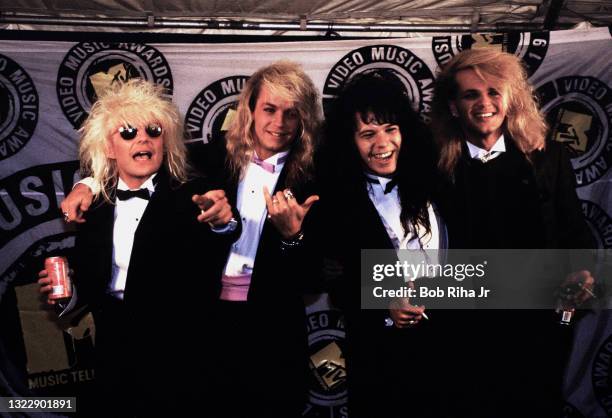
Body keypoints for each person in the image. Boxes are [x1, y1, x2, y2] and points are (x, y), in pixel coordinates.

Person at [61, 61, 322, 418]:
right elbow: (136, 162)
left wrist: (294, 236)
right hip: (202, 326)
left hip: (271, 329)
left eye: (292, 114)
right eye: (270, 109)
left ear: (304, 120)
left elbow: (315, 280)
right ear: (248, 110)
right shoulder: (206, 159)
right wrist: (86, 184)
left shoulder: (317, 179)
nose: (279, 123)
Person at [39, 79, 238, 416]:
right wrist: (68, 296)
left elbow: (221, 235)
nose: (143, 137)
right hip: (115, 354)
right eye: (128, 132)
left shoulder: (192, 192)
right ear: (108, 148)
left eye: (154, 130)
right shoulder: (95, 206)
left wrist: (223, 221)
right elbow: (92, 282)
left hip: (181, 357)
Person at [430, 48, 595, 417]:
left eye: (493, 92)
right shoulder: (433, 166)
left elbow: (574, 229)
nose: (484, 103)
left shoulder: (548, 157)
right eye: (471, 94)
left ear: (510, 98)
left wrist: (583, 273)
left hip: (536, 326)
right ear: (454, 106)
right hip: (464, 330)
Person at [316, 70, 446, 418]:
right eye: (368, 134)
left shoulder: (438, 185)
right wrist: (384, 300)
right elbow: (334, 280)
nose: (382, 143)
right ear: (350, 141)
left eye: (391, 129)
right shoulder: (337, 203)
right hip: (380, 359)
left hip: (447, 354)